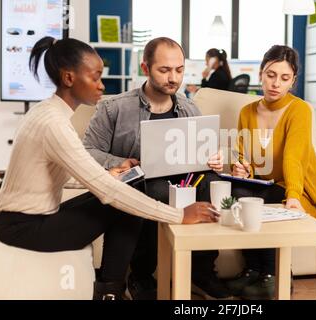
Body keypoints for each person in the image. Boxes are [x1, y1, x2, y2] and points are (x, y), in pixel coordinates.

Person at [0, 37, 218, 301]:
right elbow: (109, 193)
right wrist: (179, 215)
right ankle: (109, 291)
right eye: (95, 77)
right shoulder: (53, 124)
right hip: (24, 226)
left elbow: (66, 173)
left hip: (28, 217)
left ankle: (110, 286)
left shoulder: (48, 112)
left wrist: (108, 174)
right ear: (69, 78)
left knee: (126, 186)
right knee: (123, 197)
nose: (102, 86)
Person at [83, 37, 231, 300]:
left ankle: (202, 272)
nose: (173, 78)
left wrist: (215, 159)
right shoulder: (114, 107)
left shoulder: (190, 109)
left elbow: (207, 154)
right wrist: (117, 162)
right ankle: (140, 276)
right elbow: (87, 152)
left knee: (212, 182)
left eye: (179, 70)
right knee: (153, 190)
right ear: (145, 68)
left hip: (183, 182)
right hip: (142, 185)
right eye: (164, 70)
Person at [225, 45, 316, 300]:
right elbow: (242, 154)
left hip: (297, 186)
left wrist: (293, 196)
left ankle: (276, 274)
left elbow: (294, 158)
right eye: (271, 75)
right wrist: (241, 168)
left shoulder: (300, 110)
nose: (276, 84)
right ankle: (253, 269)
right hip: (264, 183)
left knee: (267, 200)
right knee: (238, 192)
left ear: (293, 81)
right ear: (260, 73)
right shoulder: (247, 111)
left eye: (284, 78)